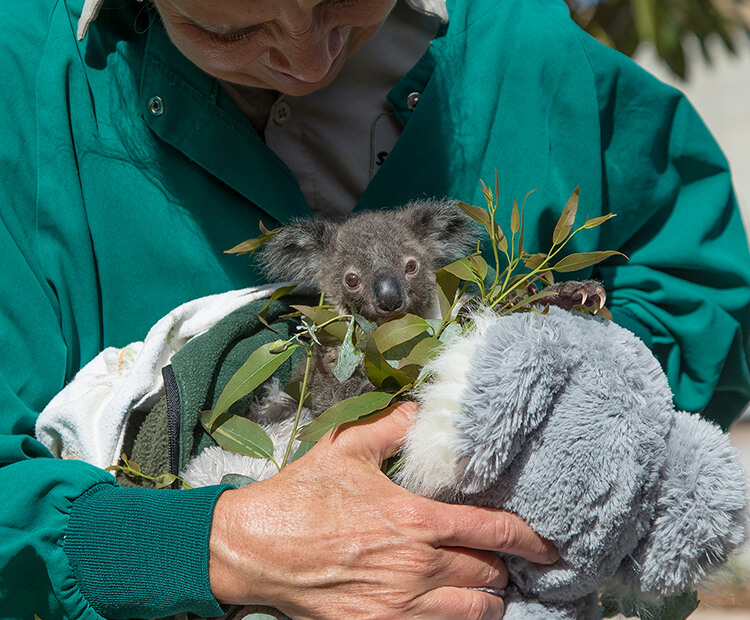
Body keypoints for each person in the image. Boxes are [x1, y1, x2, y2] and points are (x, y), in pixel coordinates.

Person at [0, 0, 747, 618]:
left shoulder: (522, 46)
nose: (307, 61)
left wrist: (583, 423)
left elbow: (693, 273)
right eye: (228, 30)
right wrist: (200, 543)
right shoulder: (26, 87)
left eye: (341, 3)